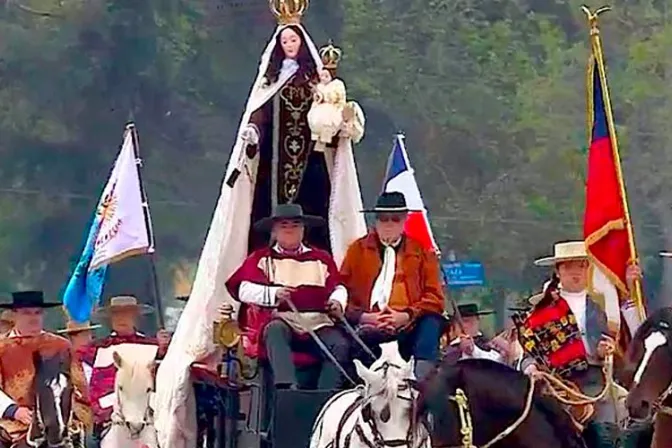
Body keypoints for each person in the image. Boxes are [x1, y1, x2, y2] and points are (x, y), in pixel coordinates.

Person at [520, 241, 640, 448]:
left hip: (595, 383)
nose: (575, 272)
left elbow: (628, 338)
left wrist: (606, 351)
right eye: (568, 267)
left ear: (587, 270)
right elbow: (529, 352)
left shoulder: (601, 308)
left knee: (609, 435)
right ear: (558, 272)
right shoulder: (543, 311)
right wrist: (531, 368)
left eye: (580, 266)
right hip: (555, 386)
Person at [226, 204, 351, 390]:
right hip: (283, 320)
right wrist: (273, 293)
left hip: (318, 323)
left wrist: (337, 301)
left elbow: (338, 286)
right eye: (284, 225)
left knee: (340, 345)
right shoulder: (261, 258)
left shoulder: (321, 258)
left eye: (295, 225)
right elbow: (243, 289)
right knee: (275, 331)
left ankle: (326, 396)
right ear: (275, 231)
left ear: (303, 229)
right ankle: (286, 388)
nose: (290, 230)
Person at [340, 192, 445, 380]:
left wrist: (405, 316)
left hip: (410, 324)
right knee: (348, 339)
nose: (389, 224)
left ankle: (422, 383)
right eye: (383, 218)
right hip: (368, 324)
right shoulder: (357, 250)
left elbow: (435, 297)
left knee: (431, 321)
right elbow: (340, 293)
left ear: (404, 220)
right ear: (376, 221)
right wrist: (366, 317)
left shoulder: (421, 252)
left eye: (395, 219)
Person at [79, 295, 171, 441]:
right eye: (117, 314)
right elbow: (86, 386)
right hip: (107, 418)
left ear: (135, 316)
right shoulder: (95, 349)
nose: (121, 318)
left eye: (126, 313)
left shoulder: (152, 346)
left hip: (148, 416)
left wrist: (164, 351)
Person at [0, 291, 87, 444]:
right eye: (27, 313)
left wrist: (69, 415)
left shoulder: (60, 346)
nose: (33, 318)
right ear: (14, 315)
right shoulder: (2, 347)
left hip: (60, 422)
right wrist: (13, 410)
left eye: (38, 313)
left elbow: (79, 386)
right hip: (14, 423)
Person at [57, 320, 100, 436]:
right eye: (80, 335)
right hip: (77, 419)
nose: (87, 339)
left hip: (104, 416)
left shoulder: (100, 359)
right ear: (70, 339)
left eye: (87, 334)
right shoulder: (63, 365)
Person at [442, 304, 508, 365]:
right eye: (458, 323)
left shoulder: (490, 344)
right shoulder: (448, 347)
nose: (464, 326)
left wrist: (473, 351)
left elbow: (496, 364)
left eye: (466, 321)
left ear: (477, 320)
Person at [307, 45, 347, 144]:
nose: (323, 78)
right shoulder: (320, 85)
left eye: (326, 76)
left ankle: (327, 137)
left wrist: (326, 97)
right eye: (322, 76)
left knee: (328, 120)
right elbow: (317, 97)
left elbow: (338, 98)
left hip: (332, 109)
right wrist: (317, 96)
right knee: (315, 117)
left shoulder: (338, 84)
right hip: (320, 108)